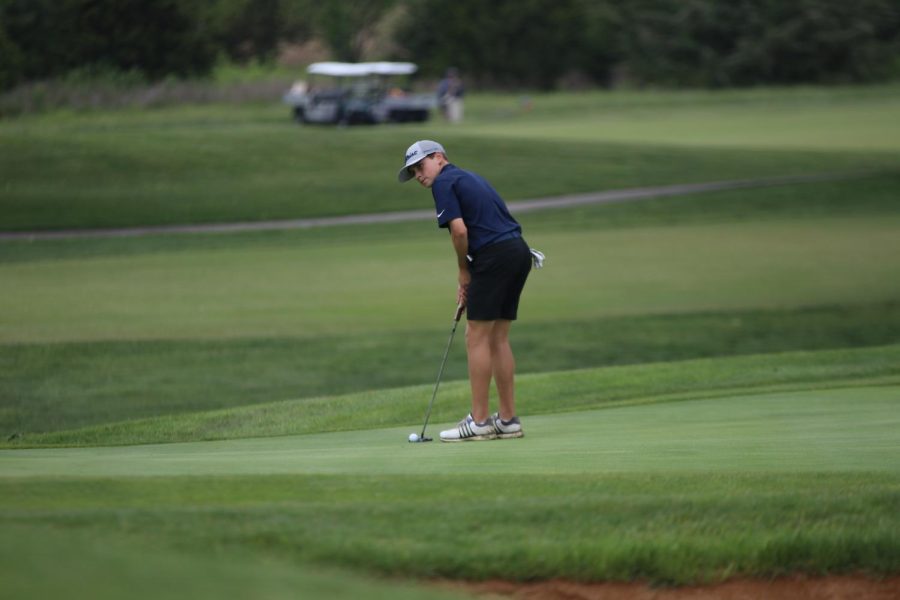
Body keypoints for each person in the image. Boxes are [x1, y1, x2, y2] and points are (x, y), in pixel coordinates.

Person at [398, 140, 541, 442]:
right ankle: (507, 420)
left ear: (439, 158)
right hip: (518, 252)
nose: (419, 175)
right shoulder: (470, 177)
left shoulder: (444, 182)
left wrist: (464, 272)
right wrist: (471, 274)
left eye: (420, 166)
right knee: (497, 337)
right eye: (413, 172)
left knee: (475, 335)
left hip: (493, 256)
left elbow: (460, 231)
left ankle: (478, 422)